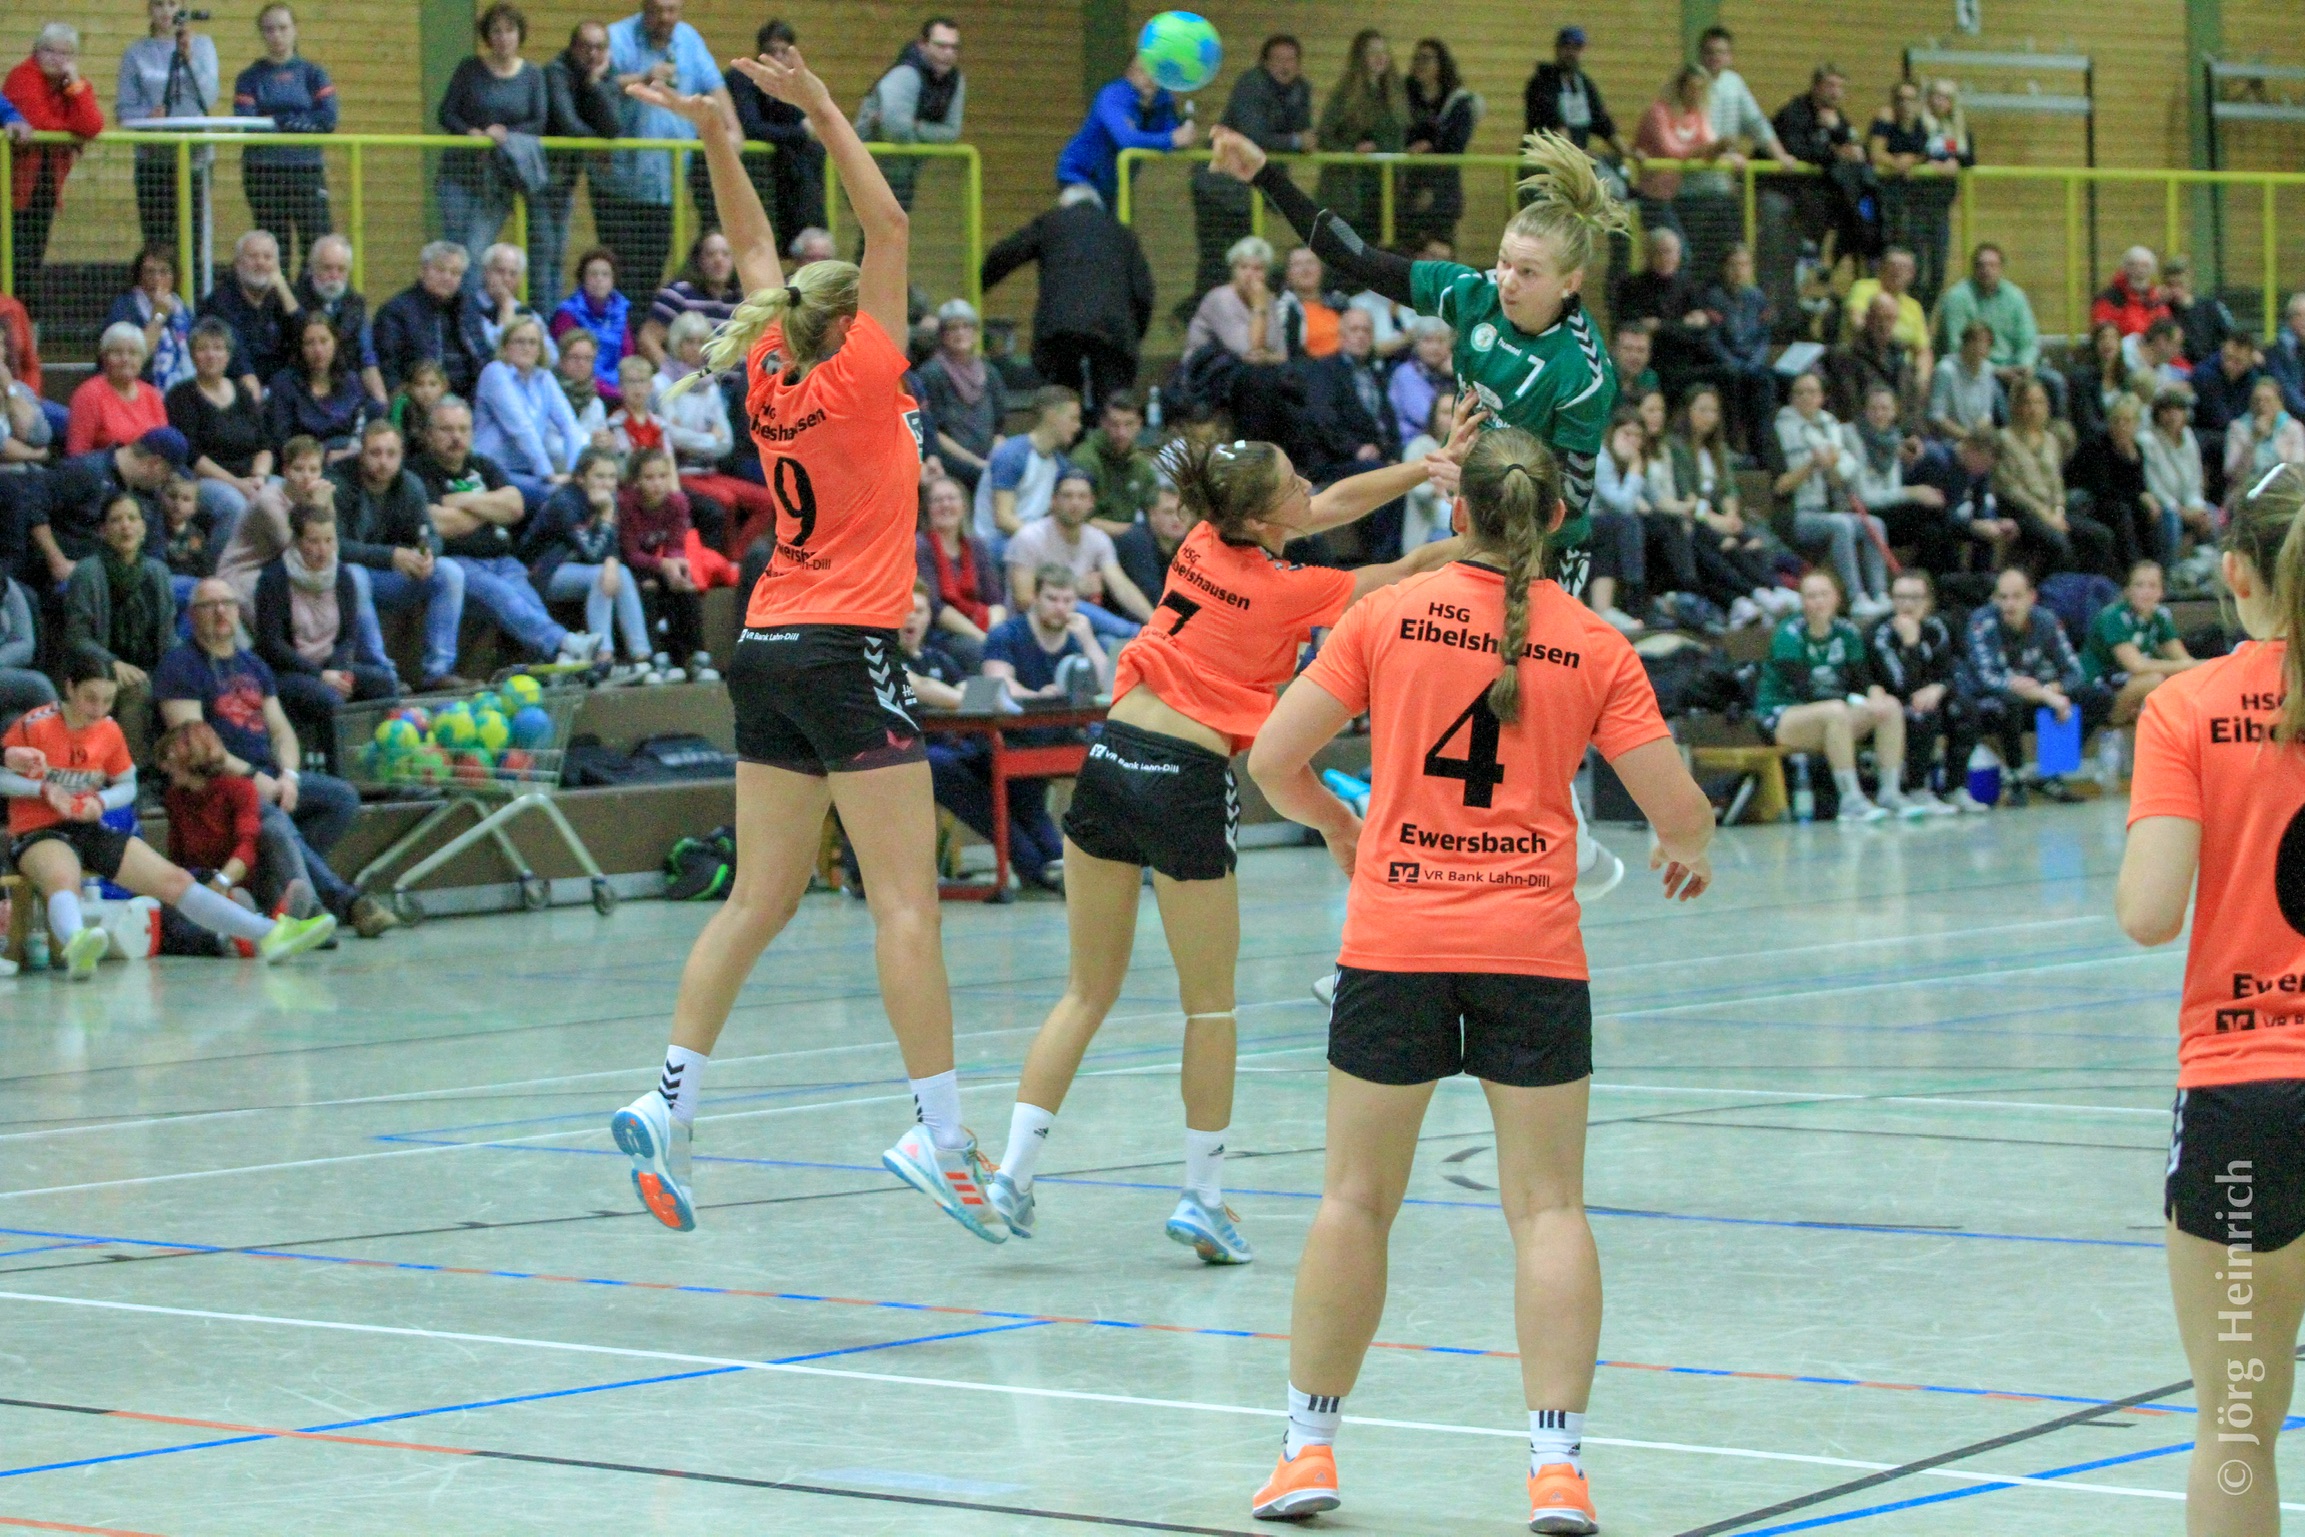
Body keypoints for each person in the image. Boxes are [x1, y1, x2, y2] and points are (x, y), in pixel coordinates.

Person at [1242, 425, 1712, 1534]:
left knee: (1353, 1200)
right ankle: (1557, 1469)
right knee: (1548, 1207)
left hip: (1394, 944)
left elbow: (1270, 759)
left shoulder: (1384, 615)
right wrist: (1684, 847)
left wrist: (1339, 824)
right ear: (1557, 519)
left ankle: (1307, 1450)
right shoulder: (1593, 642)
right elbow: (1679, 809)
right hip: (1530, 949)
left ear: (1458, 515)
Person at [605, 45, 1009, 1244]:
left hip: (768, 642)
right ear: (857, 320)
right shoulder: (866, 365)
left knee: (761, 895)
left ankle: (668, 1101)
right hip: (843, 647)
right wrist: (825, 108)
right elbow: (887, 220)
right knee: (906, 905)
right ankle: (940, 1135)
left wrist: (718, 137)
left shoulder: (773, 370)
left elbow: (752, 252)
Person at [990, 418, 1476, 1260]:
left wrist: (1422, 467)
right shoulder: (1289, 589)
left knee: (1085, 991)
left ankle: (1011, 1174)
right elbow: (1400, 572)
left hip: (1108, 756)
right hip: (1183, 774)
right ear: (1260, 517)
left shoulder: (1201, 543)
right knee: (1209, 1006)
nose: (1307, 488)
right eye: (1293, 483)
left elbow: (1333, 504)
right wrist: (1480, 534)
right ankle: (1202, 1197)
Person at [1208, 120, 1632, 897]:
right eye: (1503, 261)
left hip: (1540, 543)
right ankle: (1453, 855)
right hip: (1472, 515)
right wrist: (1264, 173)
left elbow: (1569, 497)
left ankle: (1550, 841)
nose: (1506, 280)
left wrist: (1486, 487)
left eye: (1527, 272)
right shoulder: (1471, 296)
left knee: (1514, 706)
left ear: (1569, 283)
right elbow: (1353, 256)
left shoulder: (1581, 373)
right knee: (1446, 677)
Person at [2116, 467, 2305, 1537]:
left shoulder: (2185, 707)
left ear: (2235, 573)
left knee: (2236, 1428)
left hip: (2245, 1100)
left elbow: (2148, 913)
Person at [5, 644, 335, 980]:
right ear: (69, 688)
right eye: (91, 699)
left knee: (176, 881)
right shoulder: (35, 725)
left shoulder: (108, 729)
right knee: (64, 878)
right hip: (39, 829)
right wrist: (43, 790)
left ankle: (270, 934)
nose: (99, 710)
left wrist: (102, 802)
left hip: (88, 825)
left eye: (108, 700)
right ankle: (78, 944)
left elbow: (127, 785)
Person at [154, 578, 384, 933]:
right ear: (192, 615)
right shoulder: (179, 666)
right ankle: (341, 902)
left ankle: (279, 888)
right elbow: (195, 748)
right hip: (216, 782)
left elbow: (281, 730)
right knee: (271, 817)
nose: (220, 611)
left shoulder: (253, 665)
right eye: (209, 605)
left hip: (267, 774)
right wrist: (253, 777)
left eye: (227, 603)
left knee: (341, 798)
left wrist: (289, 775)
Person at [409, 397, 593, 667]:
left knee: (529, 601)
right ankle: (563, 643)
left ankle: (557, 659)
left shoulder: (483, 466)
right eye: (446, 429)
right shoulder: (417, 473)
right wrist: (490, 509)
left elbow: (515, 507)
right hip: (458, 562)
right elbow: (439, 523)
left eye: (463, 429)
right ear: (428, 435)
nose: (456, 437)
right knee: (504, 596)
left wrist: (460, 501)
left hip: (502, 559)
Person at [977, 565, 1106, 886]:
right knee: (1028, 805)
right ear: (1034, 598)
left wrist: (1089, 640)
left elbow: (1105, 685)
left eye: (1068, 600)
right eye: (1052, 598)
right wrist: (1040, 697)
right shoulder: (1007, 634)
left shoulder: (1075, 638)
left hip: (1060, 733)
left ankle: (1104, 857)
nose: (1060, 608)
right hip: (1012, 736)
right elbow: (998, 684)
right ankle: (1053, 865)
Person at [981, 185, 1156, 411]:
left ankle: (1068, 429)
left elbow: (1006, 254)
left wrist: (979, 284)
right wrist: (1133, 333)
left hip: (1061, 326)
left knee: (1063, 395)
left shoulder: (1052, 222)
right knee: (1111, 401)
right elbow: (1143, 290)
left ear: (1064, 205)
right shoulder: (1122, 232)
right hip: (1112, 328)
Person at [1756, 569, 1909, 819]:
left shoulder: (1846, 631)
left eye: (1824, 594)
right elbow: (1806, 690)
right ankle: (1851, 799)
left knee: (1889, 706)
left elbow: (1862, 679)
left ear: (1837, 598)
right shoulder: (1789, 633)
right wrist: (1855, 701)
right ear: (1802, 601)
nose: (1818, 601)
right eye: (1811, 596)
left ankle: (1890, 792)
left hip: (1834, 713)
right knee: (1836, 711)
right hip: (1783, 715)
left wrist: (1875, 695)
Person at [329, 419, 468, 693]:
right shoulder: (339, 483)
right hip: (354, 578)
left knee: (450, 572)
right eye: (375, 453)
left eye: (391, 454)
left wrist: (427, 554)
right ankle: (383, 675)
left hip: (396, 576)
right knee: (354, 575)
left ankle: (438, 672)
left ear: (401, 456)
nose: (383, 462)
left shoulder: (409, 485)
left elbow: (431, 535)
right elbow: (336, 546)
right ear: (361, 454)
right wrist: (391, 556)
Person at [598, 0, 729, 291]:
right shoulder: (617, 38)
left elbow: (714, 85)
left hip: (666, 183)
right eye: (658, 10)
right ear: (645, 8)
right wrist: (642, 78)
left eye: (672, 10)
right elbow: (596, 86)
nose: (665, 17)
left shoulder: (689, 39)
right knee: (620, 273)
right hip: (618, 185)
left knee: (652, 272)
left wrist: (732, 129)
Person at [251, 500, 399, 754]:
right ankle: (341, 769)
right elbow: (272, 644)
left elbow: (348, 636)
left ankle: (388, 758)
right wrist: (319, 675)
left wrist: (338, 671)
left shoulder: (342, 575)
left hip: (330, 665)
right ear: (297, 541)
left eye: (329, 541)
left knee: (383, 683)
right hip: (289, 670)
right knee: (329, 700)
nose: (323, 550)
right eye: (314, 541)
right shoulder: (274, 579)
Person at [154, 717, 321, 938]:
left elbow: (247, 846)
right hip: (205, 879)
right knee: (170, 915)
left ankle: (289, 916)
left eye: (170, 759)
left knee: (272, 829)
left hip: (240, 880)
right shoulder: (175, 798)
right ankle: (249, 930)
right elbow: (177, 854)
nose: (165, 767)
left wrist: (222, 882)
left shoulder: (239, 789)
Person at [1957, 566, 2108, 802]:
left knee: (2097, 697)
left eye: (2016, 597)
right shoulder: (1981, 622)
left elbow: (2075, 672)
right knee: (2009, 700)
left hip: (2036, 694)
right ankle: (2016, 777)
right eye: (2003, 597)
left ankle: (2051, 775)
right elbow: (1988, 679)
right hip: (1988, 702)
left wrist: (2053, 690)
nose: (2009, 604)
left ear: (2031, 597)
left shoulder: (2045, 621)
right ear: (1994, 599)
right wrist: (2046, 695)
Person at [1191, 36, 1310, 300]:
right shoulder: (1251, 84)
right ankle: (1200, 311)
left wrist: (1300, 142)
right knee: (1217, 257)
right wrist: (1295, 141)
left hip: (1248, 187)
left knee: (1246, 254)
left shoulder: (1300, 89)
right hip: (1217, 184)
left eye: (1291, 59)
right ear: (1264, 63)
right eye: (1278, 59)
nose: (1285, 66)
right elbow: (1253, 136)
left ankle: (1236, 309)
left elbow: (1305, 134)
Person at [437, 4, 547, 282]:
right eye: (496, 31)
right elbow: (446, 113)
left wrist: (506, 134)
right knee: (454, 252)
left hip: (498, 180)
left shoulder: (533, 75)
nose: (503, 37)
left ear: (520, 34)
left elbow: (538, 121)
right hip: (458, 173)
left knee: (475, 252)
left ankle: (470, 307)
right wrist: (469, 132)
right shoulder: (469, 68)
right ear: (487, 37)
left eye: (509, 30)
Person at [62, 491, 174, 755]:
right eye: (116, 520)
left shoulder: (158, 572)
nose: (126, 526)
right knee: (138, 688)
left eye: (132, 518)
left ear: (143, 528)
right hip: (99, 667)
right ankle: (132, 770)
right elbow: (77, 637)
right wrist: (113, 663)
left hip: (150, 666)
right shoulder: (88, 572)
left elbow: (167, 636)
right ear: (103, 530)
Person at [531, 449, 655, 680]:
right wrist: (606, 515)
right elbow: (591, 551)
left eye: (612, 477)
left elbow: (612, 546)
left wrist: (612, 561)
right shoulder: (565, 502)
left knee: (621, 572)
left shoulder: (608, 499)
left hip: (580, 569)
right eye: (599, 476)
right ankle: (603, 657)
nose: (607, 483)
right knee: (601, 575)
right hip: (545, 572)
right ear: (580, 478)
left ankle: (641, 657)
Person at [1772, 372, 1889, 616]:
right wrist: (1812, 464)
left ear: (1822, 397)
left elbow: (1837, 482)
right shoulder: (1780, 429)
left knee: (1875, 525)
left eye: (1811, 392)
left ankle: (1880, 594)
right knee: (1841, 525)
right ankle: (1855, 598)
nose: (1805, 397)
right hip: (1796, 514)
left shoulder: (1830, 426)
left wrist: (1833, 465)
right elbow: (1780, 487)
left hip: (1827, 509)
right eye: (1799, 392)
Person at [1671, 384, 1787, 624]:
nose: (1709, 417)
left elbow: (1728, 490)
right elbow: (1686, 494)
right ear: (1687, 412)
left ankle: (1768, 594)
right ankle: (1761, 591)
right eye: (1702, 410)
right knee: (1724, 543)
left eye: (1714, 411)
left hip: (1721, 517)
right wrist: (1716, 520)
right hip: (1697, 519)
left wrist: (1731, 515)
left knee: (1756, 541)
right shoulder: (1676, 448)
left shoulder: (1718, 450)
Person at [234, 4, 335, 274]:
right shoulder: (249, 77)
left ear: (295, 30)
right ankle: (277, 300)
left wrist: (279, 121)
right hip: (263, 170)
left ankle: (308, 300)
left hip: (306, 169)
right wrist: (296, 122)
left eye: (282, 28)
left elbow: (328, 119)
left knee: (317, 242)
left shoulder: (314, 73)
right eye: (269, 29)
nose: (276, 35)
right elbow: (248, 122)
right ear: (261, 33)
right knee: (273, 247)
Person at [20, 429, 186, 595]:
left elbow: (155, 550)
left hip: (126, 576)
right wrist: (57, 562)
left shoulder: (149, 495)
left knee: (191, 590)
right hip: (78, 573)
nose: (165, 481)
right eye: (167, 474)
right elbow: (34, 506)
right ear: (154, 464)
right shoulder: (86, 471)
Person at [533, 21, 621, 319]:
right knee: (544, 253)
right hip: (542, 176)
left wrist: (595, 83)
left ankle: (551, 322)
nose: (593, 54)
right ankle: (543, 323)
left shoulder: (602, 74)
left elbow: (613, 126)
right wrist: (595, 144)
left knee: (558, 255)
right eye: (586, 47)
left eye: (600, 47)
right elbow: (567, 122)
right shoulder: (556, 71)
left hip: (567, 177)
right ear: (573, 48)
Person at [117, 0, 218, 259]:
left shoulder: (203, 45)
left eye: (172, 4)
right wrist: (147, 116)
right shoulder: (136, 52)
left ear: (182, 8)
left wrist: (190, 58)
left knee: (193, 238)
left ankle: (192, 285)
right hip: (153, 159)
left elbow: (209, 97)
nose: (166, 11)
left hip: (195, 158)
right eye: (159, 4)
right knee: (157, 240)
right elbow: (124, 109)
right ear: (149, 10)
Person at [1003, 467, 1150, 641]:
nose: (1075, 503)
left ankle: (1154, 632)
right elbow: (1023, 600)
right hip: (1033, 629)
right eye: (1067, 496)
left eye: (1082, 497)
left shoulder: (1098, 539)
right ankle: (1137, 633)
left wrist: (1154, 619)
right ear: (1053, 500)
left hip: (1075, 628)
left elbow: (1122, 586)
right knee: (1069, 601)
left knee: (1109, 645)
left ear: (1091, 503)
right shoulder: (1029, 537)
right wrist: (1077, 589)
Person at [6, 23, 103, 276]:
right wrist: (72, 133)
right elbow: (38, 122)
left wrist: (76, 86)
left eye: (65, 53)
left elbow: (92, 125)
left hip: (45, 184)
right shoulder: (22, 76)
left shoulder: (72, 84)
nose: (57, 58)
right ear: (36, 51)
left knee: (31, 259)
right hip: (12, 184)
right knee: (11, 256)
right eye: (49, 50)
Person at [1866, 570, 1965, 811]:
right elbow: (1902, 685)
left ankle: (1955, 787)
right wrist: (1911, 644)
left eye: (1915, 598)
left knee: (1964, 710)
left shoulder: (1939, 627)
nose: (1907, 605)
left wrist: (1939, 688)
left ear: (1928, 602)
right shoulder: (1880, 633)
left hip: (1929, 695)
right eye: (1900, 597)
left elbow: (1954, 670)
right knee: (1921, 712)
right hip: (1891, 702)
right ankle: (1917, 788)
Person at [167, 318, 275, 536]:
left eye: (218, 348)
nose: (211, 355)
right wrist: (237, 484)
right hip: (207, 480)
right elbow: (192, 456)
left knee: (289, 495)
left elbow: (264, 445)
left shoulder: (243, 392)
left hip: (252, 477)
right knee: (235, 506)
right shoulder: (181, 396)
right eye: (203, 349)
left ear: (228, 355)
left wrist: (259, 478)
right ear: (192, 355)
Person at [727, 20, 824, 252]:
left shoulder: (790, 83)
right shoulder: (741, 78)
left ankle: (811, 236)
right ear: (760, 54)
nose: (778, 58)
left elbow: (800, 122)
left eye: (784, 52)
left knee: (812, 153)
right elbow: (752, 128)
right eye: (772, 51)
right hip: (746, 167)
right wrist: (801, 132)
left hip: (778, 174)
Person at [1055, 52, 1195, 212]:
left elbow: (1173, 137)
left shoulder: (1163, 101)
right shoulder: (1113, 96)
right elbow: (1127, 140)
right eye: (1141, 70)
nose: (1149, 77)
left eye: (1154, 71)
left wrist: (1184, 132)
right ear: (1129, 73)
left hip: (1115, 184)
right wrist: (1172, 139)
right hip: (1080, 176)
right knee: (1090, 223)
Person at [853, 16, 964, 216]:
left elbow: (951, 133)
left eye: (954, 48)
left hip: (903, 171)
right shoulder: (905, 74)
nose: (948, 53)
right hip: (869, 166)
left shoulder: (956, 81)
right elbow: (896, 130)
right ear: (922, 45)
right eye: (941, 46)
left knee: (890, 226)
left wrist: (916, 127)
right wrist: (928, 136)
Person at [1993, 375, 2100, 579]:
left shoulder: (2051, 440)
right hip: (2023, 512)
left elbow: (2057, 484)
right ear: (2017, 406)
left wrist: (2058, 512)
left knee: (2099, 536)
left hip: (2052, 511)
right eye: (2028, 403)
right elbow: (2010, 489)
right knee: (2058, 543)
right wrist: (2045, 515)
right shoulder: (2005, 440)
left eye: (2039, 402)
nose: (2034, 409)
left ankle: (2088, 588)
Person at [617, 446, 711, 677]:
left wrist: (676, 565)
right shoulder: (626, 503)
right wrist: (664, 565)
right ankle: (657, 655)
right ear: (636, 481)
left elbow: (675, 545)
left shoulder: (677, 502)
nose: (657, 483)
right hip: (627, 564)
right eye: (649, 478)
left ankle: (695, 655)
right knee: (649, 586)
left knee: (684, 584)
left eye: (662, 476)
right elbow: (630, 553)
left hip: (654, 560)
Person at [1842, 383, 1954, 576]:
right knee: (1928, 511)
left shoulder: (1893, 438)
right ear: (1864, 411)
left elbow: (1892, 490)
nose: (1879, 414)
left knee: (1934, 527)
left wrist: (1912, 492)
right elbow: (1865, 497)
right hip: (1858, 510)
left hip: (1886, 509)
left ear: (1894, 412)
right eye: (1873, 409)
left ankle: (1936, 582)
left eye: (1885, 408)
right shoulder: (1852, 435)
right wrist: (1912, 493)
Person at [473, 315, 582, 511]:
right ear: (505, 346)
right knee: (558, 496)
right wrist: (548, 474)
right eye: (519, 341)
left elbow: (570, 425)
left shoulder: (544, 378)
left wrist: (576, 474)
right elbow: (521, 428)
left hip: (530, 471)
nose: (526, 348)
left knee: (586, 491)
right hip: (495, 470)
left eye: (533, 342)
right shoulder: (495, 372)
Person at [2080, 558, 2197, 732]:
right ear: (2127, 590)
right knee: (2154, 680)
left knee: (2186, 680)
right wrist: (2190, 666)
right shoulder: (2113, 616)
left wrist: (2199, 668)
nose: (2146, 592)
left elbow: (2183, 659)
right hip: (2099, 693)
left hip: (2126, 685)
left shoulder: (2160, 616)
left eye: (2152, 586)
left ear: (2161, 591)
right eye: (2139, 585)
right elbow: (2136, 665)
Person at [1935, 243, 2050, 411]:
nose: (1986, 270)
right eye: (1981, 265)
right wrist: (1996, 371)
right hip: (1975, 369)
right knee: (1995, 392)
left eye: (1992, 265)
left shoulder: (2015, 297)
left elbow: (2028, 340)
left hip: (2015, 366)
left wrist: (2025, 366)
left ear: (2001, 268)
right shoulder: (1957, 298)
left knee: (2055, 382)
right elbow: (1957, 347)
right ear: (1973, 268)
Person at [1612, 225, 1714, 405]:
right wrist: (1683, 325)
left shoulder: (1689, 287)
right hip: (1650, 360)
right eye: (1660, 252)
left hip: (1685, 361)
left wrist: (1660, 326)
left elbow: (1700, 333)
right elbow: (1635, 327)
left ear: (1679, 256)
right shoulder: (1631, 286)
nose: (1666, 257)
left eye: (1670, 252)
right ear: (1649, 254)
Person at [1314, 30, 1403, 236]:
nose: (1380, 57)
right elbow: (1324, 136)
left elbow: (1396, 136)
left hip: (1383, 187)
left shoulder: (1395, 93)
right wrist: (1351, 150)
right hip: (1349, 188)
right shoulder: (1344, 94)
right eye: (1372, 52)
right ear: (1360, 57)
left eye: (1384, 52)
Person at [911, 299, 1003, 496]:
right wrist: (976, 463)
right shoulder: (932, 373)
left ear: (976, 332)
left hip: (988, 460)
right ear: (942, 336)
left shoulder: (990, 372)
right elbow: (934, 432)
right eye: (953, 328)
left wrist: (996, 459)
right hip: (951, 462)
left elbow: (999, 429)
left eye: (966, 326)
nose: (960, 333)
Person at [374, 243, 489, 398]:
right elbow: (389, 368)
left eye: (455, 273)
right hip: (421, 397)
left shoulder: (469, 308)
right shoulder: (396, 311)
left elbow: (482, 357)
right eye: (440, 270)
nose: (447, 277)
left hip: (470, 397)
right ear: (422, 271)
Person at [914, 472, 1002, 667]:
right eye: (938, 500)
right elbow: (935, 607)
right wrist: (981, 637)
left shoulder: (976, 545)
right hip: (939, 631)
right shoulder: (920, 546)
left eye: (952, 498)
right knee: (976, 651)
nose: (945, 505)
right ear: (927, 509)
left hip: (980, 625)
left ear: (964, 506)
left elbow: (995, 600)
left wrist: (995, 634)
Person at [1630, 66, 1727, 243]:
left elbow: (1709, 143)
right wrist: (1703, 150)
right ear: (1680, 88)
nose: (1696, 94)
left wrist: (1725, 153)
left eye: (1701, 89)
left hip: (1677, 193)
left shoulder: (1697, 115)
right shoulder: (1658, 112)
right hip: (1650, 193)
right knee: (1676, 249)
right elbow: (1670, 149)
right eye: (1692, 88)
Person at [2068, 393, 2163, 573]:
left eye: (2127, 421)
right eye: (2116, 420)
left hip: (2120, 500)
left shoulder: (2137, 450)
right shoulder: (2096, 446)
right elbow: (2104, 489)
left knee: (2150, 512)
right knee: (2122, 512)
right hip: (2091, 501)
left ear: (2136, 424)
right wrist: (2139, 496)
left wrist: (2145, 497)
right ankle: (2133, 570)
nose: (2121, 426)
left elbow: (2139, 485)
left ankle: (2155, 570)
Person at [199, 229, 300, 398]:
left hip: (282, 386)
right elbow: (235, 349)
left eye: (267, 257)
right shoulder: (220, 302)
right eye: (253, 257)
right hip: (237, 387)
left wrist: (283, 289)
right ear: (238, 263)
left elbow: (305, 334)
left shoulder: (286, 296)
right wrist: (247, 377)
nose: (260, 263)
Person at [975, 385, 1079, 544]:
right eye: (1073, 418)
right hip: (997, 542)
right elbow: (1003, 519)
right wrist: (1045, 544)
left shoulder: (1061, 464)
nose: (1078, 426)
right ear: (1051, 416)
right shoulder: (1011, 455)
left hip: (1031, 540)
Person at [1400, 38, 1477, 248]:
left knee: (1440, 253)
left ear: (1441, 64)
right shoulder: (1403, 97)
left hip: (1443, 190)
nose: (1419, 64)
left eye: (1426, 59)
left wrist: (1430, 149)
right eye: (1416, 59)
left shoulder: (1458, 102)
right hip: (1407, 188)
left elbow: (1455, 148)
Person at [294, 234, 386, 405]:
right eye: (327, 268)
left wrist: (381, 400)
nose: (334, 276)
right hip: (301, 388)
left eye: (341, 269)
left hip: (345, 386)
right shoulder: (294, 301)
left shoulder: (356, 304)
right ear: (312, 268)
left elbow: (367, 358)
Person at [1702, 242, 1775, 453]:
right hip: (1726, 362)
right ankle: (1733, 446)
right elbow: (1712, 340)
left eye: (1744, 265)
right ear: (1724, 268)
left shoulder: (1757, 297)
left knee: (1766, 381)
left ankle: (1762, 448)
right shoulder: (1714, 297)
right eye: (1733, 265)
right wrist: (1733, 362)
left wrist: (1755, 361)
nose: (1738, 271)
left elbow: (1764, 337)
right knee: (1732, 379)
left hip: (1752, 362)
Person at [265, 312, 366, 461]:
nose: (318, 350)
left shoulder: (351, 381)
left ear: (335, 342)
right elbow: (282, 440)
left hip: (348, 457)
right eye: (309, 343)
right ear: (300, 348)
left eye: (324, 341)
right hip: (305, 463)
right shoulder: (284, 383)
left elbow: (360, 427)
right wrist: (324, 455)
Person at [637, 232, 742, 366]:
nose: (718, 260)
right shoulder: (679, 294)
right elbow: (648, 340)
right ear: (698, 260)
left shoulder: (742, 299)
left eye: (726, 254)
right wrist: (674, 374)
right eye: (710, 254)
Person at [68, 324, 168, 459]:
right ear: (104, 357)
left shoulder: (152, 395)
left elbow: (165, 444)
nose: (125, 359)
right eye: (117, 352)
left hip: (153, 468)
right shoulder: (88, 394)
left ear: (142, 359)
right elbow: (77, 453)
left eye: (133, 353)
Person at [1185, 236, 1289, 365]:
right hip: (1208, 371)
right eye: (1243, 267)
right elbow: (1248, 351)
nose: (1249, 275)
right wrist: (1259, 307)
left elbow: (1282, 354)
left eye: (1257, 268)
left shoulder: (1269, 299)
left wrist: (1267, 358)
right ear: (1233, 270)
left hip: (1253, 371)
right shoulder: (1219, 299)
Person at [1826, 293, 1923, 430]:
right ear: (1867, 319)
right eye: (1879, 318)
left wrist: (1913, 434)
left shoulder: (1901, 356)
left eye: (1889, 318)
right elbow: (1849, 405)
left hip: (1900, 432)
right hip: (1864, 432)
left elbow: (1912, 403)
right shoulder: (1846, 356)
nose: (1883, 325)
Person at [1524, 26, 1622, 160]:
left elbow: (1602, 122)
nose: (1571, 53)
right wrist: (1575, 152)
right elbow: (1551, 122)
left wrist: (1626, 152)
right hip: (1544, 160)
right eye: (1566, 47)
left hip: (1575, 161)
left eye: (1576, 48)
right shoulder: (1541, 83)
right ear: (1557, 49)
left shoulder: (1584, 84)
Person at [106, 245, 194, 393]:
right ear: (139, 276)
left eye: (164, 272)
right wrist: (158, 316)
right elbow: (132, 359)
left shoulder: (181, 310)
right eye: (149, 272)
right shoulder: (126, 307)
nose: (156, 278)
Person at [1067, 391, 1156, 534]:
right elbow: (1077, 518)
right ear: (1103, 423)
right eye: (1115, 424)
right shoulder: (1085, 459)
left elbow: (1154, 508)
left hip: (1128, 536)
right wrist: (1131, 532)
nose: (1121, 432)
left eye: (1129, 424)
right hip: (1088, 536)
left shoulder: (1140, 463)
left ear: (1139, 424)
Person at [550, 248, 633, 399]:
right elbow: (571, 363)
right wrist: (614, 393)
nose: (599, 279)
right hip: (581, 389)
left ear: (613, 281)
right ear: (583, 279)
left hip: (618, 388)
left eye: (605, 274)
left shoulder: (621, 311)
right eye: (593, 274)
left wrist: (627, 386)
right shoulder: (567, 313)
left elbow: (628, 357)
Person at [1842, 247, 1933, 384]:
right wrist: (1896, 342)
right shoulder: (1863, 288)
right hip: (1863, 364)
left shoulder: (1914, 307)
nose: (1897, 271)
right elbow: (1857, 324)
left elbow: (1923, 351)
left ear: (1912, 274)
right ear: (1881, 268)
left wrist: (1921, 379)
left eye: (1904, 267)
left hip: (1900, 374)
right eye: (1893, 266)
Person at [2142, 386, 2212, 557]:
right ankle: (2168, 568)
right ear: (2157, 414)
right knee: (2171, 521)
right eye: (2167, 410)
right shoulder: (2148, 441)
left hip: (2186, 504)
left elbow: (2194, 483)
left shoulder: (2188, 437)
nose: (2172, 415)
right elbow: (2154, 487)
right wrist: (2181, 512)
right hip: (2164, 507)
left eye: (2178, 410)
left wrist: (2197, 508)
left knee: (2212, 516)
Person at [2226, 376, 2305, 520]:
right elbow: (2232, 473)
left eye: (2268, 400)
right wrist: (2254, 441)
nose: (2262, 405)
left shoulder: (2293, 429)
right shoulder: (2238, 428)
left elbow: (2297, 470)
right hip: (2247, 491)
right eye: (2257, 400)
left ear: (2279, 403)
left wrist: (2271, 438)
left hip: (2283, 492)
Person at [1929, 319, 2005, 440]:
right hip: (1946, 439)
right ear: (1964, 343)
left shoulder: (1987, 370)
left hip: (1975, 438)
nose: (1979, 347)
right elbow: (1937, 416)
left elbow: (1985, 414)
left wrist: (1977, 437)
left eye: (1985, 343)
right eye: (1975, 341)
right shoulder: (1945, 370)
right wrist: (1966, 437)